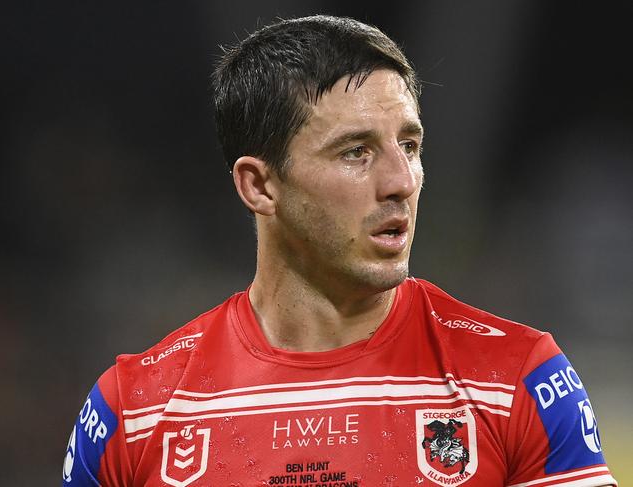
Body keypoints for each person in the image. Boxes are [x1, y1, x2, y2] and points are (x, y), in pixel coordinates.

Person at [62, 15, 617, 487]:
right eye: (356, 152)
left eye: (409, 145)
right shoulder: (134, 411)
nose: (402, 180)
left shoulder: (515, 379)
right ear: (259, 186)